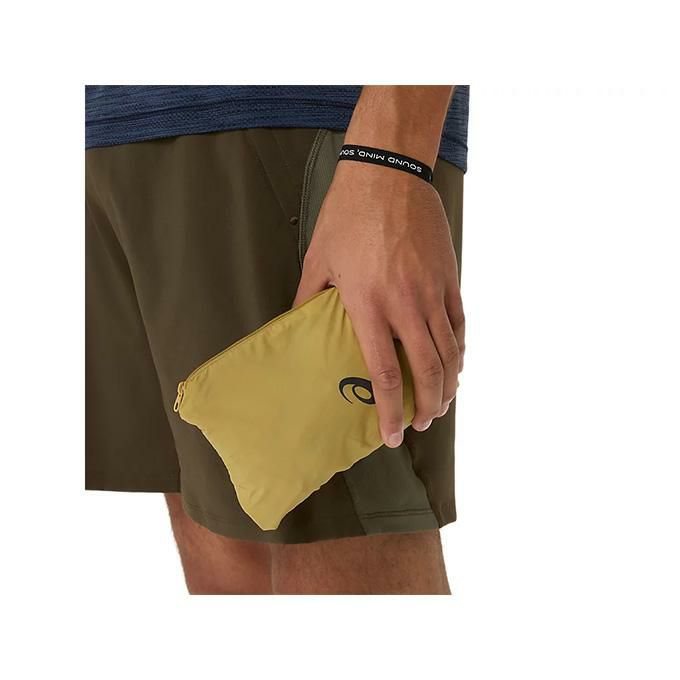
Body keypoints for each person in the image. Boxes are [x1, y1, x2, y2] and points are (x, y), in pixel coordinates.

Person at [85, 85, 469, 594]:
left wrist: (392, 157)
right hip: (111, 126)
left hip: (301, 119)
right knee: (226, 543)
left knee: (341, 544)